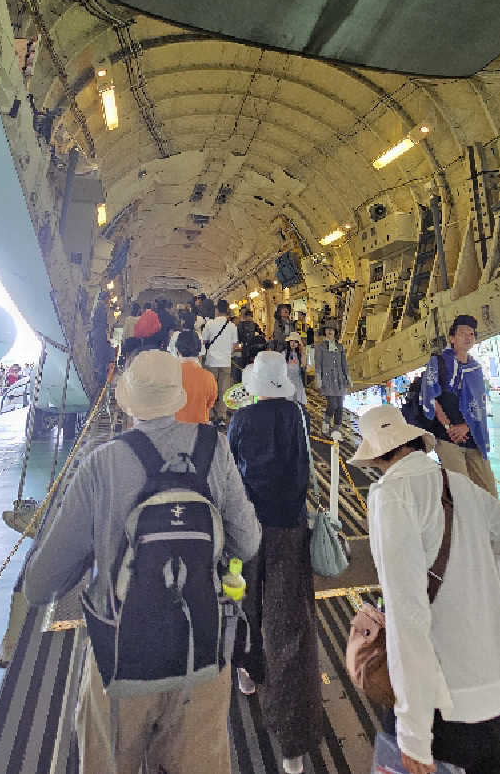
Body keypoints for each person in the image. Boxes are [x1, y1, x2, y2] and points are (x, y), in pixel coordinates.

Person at [23, 350, 261, 774]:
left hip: (122, 662)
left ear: (127, 401)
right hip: (202, 654)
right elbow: (248, 542)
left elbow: (41, 585)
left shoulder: (101, 462)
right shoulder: (215, 449)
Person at [350, 405, 500, 774]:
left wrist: (413, 734)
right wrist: (492, 597)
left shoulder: (391, 497)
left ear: (375, 457)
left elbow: (409, 617)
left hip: (452, 713)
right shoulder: (457, 483)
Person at [228, 351, 322, 774]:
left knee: (246, 604)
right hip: (289, 527)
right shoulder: (296, 417)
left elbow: (232, 477)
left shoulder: (241, 420)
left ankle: (249, 669)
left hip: (249, 527)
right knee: (289, 625)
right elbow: (304, 470)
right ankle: (292, 743)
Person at [420, 315, 497, 496]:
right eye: (462, 333)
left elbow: (479, 405)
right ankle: (464, 524)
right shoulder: (438, 362)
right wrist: (449, 426)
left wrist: (466, 427)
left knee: (489, 491)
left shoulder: (476, 369)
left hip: (473, 437)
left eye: (471, 334)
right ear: (452, 338)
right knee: (461, 491)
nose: (468, 337)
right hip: (448, 438)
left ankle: (485, 523)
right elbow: (430, 396)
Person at [201, 298, 240, 426]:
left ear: (216, 310)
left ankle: (211, 414)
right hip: (225, 361)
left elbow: (204, 341)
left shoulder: (210, 324)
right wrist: (227, 352)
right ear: (227, 310)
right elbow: (235, 345)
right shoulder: (232, 326)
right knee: (224, 389)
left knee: (210, 388)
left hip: (211, 360)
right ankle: (222, 415)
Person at [314, 320, 351, 435]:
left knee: (340, 407)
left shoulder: (340, 347)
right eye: (327, 329)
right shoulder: (320, 347)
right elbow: (318, 364)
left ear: (335, 332)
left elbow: (344, 364)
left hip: (340, 379)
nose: (329, 331)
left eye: (332, 329)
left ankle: (336, 430)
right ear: (324, 331)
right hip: (328, 379)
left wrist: (348, 377)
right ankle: (326, 423)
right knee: (333, 404)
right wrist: (318, 378)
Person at [175, 330, 218, 424]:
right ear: (198, 351)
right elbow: (210, 403)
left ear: (177, 350)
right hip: (200, 428)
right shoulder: (208, 377)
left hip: (175, 429)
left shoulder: (170, 374)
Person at [284, 332, 308, 405]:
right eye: (291, 341)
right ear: (289, 342)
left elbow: (304, 366)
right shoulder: (284, 353)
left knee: (297, 403)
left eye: (296, 342)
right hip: (287, 382)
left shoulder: (300, 354)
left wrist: (303, 352)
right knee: (288, 403)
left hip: (298, 382)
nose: (293, 344)